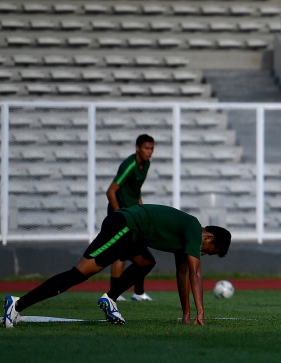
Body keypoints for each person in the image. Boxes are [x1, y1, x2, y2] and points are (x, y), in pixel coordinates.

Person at [3, 204, 231, 328]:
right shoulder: (194, 228)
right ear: (209, 238)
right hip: (124, 225)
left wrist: (186, 314)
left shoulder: (188, 238)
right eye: (208, 252)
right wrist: (202, 313)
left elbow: (183, 274)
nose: (203, 254)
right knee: (80, 273)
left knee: (145, 262)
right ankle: (18, 304)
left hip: (132, 233)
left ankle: (110, 298)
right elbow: (196, 272)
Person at [106, 134, 154, 301]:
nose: (150, 152)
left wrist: (142, 210)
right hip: (121, 215)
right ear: (137, 148)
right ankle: (115, 293)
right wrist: (119, 214)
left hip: (134, 215)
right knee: (122, 253)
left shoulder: (146, 164)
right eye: (147, 148)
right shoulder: (129, 164)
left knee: (138, 251)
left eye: (152, 149)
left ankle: (138, 293)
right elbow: (111, 191)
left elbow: (135, 189)